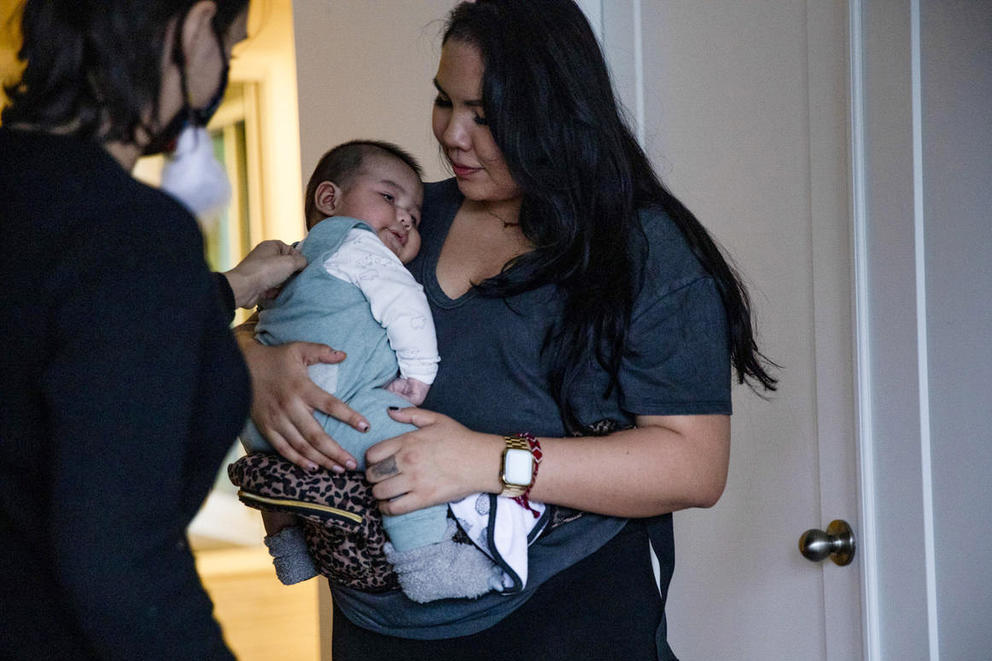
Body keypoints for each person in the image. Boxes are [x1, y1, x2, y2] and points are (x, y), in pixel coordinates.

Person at [238, 0, 777, 659]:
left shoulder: (640, 249)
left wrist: (487, 459)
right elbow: (283, 309)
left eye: (486, 117)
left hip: (560, 617)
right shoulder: (401, 221)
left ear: (555, 115)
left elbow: (694, 463)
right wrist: (251, 362)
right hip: (375, 626)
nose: (452, 135)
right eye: (445, 101)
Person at [0, 1, 312, 658]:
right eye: (229, 47)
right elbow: (120, 565)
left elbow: (43, 325)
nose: (223, 67)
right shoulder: (131, 237)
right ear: (196, 28)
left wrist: (222, 291)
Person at [240, 139, 515, 602]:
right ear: (330, 201)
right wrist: (418, 376)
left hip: (261, 417)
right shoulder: (358, 244)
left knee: (275, 468)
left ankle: (290, 549)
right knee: (406, 443)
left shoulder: (298, 258)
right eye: (389, 198)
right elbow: (404, 306)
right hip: (330, 401)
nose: (405, 216)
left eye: (415, 214)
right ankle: (427, 560)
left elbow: (258, 317)